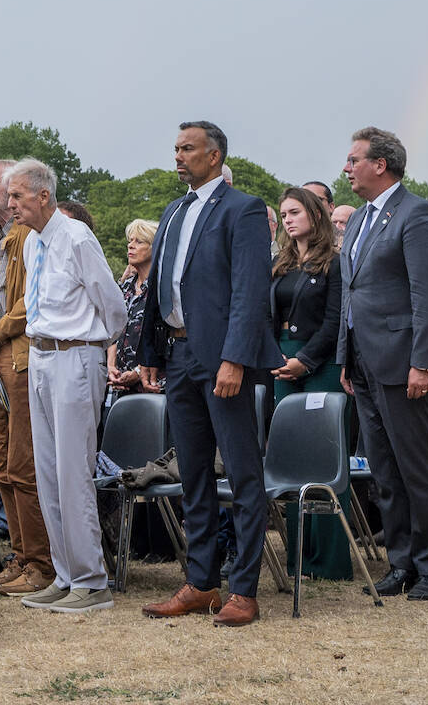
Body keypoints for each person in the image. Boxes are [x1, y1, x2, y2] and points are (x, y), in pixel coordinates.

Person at [138, 122, 276, 624]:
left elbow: (249, 291)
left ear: (214, 156)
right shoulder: (173, 210)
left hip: (221, 358)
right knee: (192, 472)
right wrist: (150, 349)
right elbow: (158, 289)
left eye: (187, 149)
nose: (178, 156)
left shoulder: (243, 209)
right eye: (175, 148)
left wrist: (235, 359)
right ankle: (200, 583)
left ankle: (245, 589)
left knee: (241, 473)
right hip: (177, 357)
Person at [336, 126, 428, 601]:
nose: (346, 168)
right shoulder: (363, 220)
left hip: (405, 361)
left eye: (353, 160)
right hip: (365, 362)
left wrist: (424, 362)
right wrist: (346, 357)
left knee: (416, 468)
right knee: (384, 471)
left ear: (380, 164)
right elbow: (352, 294)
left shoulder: (418, 214)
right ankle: (401, 563)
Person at [8, 157, 127, 615]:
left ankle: (92, 581)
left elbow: (112, 305)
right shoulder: (32, 244)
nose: (12, 204)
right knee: (48, 471)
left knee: (74, 470)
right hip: (39, 355)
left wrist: (90, 346)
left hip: (75, 356)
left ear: (43, 195)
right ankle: (65, 574)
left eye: (18, 195)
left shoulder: (77, 237)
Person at [0, 159, 51, 597]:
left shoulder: (30, 235)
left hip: (17, 358)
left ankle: (41, 564)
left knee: (22, 464)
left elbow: (27, 302)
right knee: (0, 464)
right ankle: (19, 558)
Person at [266, 186, 352, 578]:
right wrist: (275, 355)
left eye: (295, 211)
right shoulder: (280, 264)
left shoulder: (334, 262)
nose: (288, 219)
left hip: (322, 362)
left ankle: (329, 562)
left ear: (316, 215)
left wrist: (305, 360)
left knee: (323, 459)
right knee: (291, 458)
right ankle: (299, 559)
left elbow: (335, 321)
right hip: (281, 359)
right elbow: (265, 315)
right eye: (284, 214)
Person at [105, 219, 157, 400]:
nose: (130, 246)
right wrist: (111, 366)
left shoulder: (161, 290)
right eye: (130, 240)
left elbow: (164, 339)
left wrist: (136, 372)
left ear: (155, 247)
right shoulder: (124, 287)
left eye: (139, 241)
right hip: (117, 383)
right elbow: (113, 329)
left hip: (150, 383)